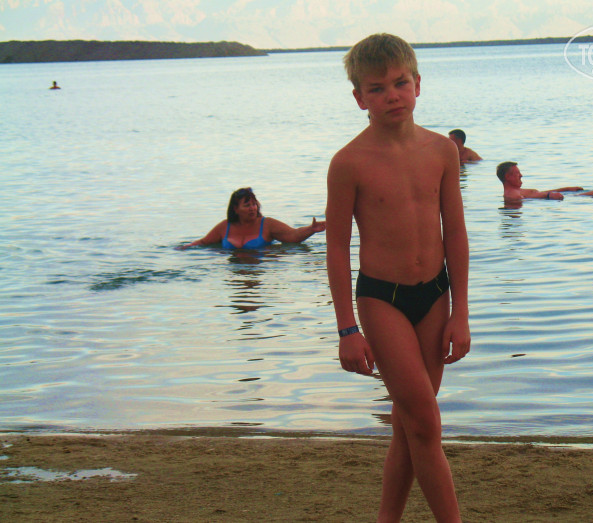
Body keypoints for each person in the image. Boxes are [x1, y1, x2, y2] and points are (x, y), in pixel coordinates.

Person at [326, 33, 470, 522]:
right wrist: (347, 329)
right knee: (425, 422)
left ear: (418, 84)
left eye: (400, 83)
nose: (392, 95)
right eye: (377, 88)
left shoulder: (441, 151)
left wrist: (461, 313)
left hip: (435, 296)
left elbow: (456, 233)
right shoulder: (349, 162)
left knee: (409, 424)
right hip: (381, 300)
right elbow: (336, 246)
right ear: (359, 98)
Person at [180, 187, 325, 249]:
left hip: (259, 268)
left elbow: (293, 235)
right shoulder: (225, 227)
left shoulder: (267, 224)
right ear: (235, 209)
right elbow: (204, 242)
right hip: (234, 272)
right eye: (247, 205)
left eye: (254, 204)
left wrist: (311, 229)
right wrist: (185, 247)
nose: (252, 208)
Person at [497, 161, 583, 201]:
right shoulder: (513, 195)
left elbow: (538, 193)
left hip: (556, 196)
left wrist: (566, 189)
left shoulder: (517, 191)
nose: (521, 175)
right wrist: (548, 196)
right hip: (557, 199)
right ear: (508, 177)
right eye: (517, 173)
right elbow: (526, 200)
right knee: (591, 194)